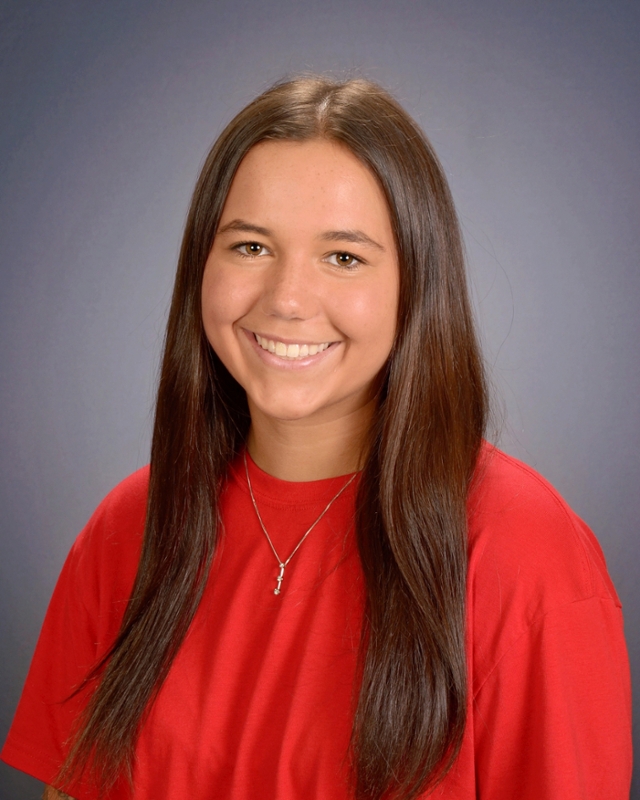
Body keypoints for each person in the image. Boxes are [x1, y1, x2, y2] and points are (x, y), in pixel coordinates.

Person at [1, 76, 631, 800]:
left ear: (417, 286)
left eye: (343, 257)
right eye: (251, 246)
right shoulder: (127, 530)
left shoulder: (526, 555)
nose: (287, 300)